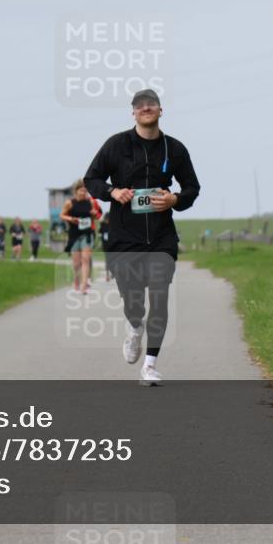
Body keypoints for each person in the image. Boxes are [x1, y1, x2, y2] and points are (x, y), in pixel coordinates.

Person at [84, 89, 200, 386]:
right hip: (125, 237)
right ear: (133, 113)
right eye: (139, 105)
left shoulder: (174, 149)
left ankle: (150, 365)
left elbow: (191, 188)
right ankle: (134, 329)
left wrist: (175, 200)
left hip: (161, 236)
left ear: (161, 110)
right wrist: (112, 191)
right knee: (134, 301)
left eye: (151, 104)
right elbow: (92, 179)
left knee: (159, 298)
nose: (146, 108)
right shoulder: (116, 145)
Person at [60, 179, 98, 293]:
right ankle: (76, 280)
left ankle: (84, 285)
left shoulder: (89, 202)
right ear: (76, 191)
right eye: (81, 191)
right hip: (74, 235)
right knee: (76, 263)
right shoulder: (69, 203)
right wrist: (71, 219)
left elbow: (94, 216)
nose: (83, 193)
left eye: (85, 191)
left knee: (86, 259)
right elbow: (62, 215)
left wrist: (94, 214)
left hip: (86, 234)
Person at [99, 212, 112, 282]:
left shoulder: (112, 225)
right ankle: (107, 275)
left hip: (112, 246)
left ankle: (112, 273)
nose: (107, 220)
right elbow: (100, 220)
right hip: (106, 246)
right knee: (107, 261)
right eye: (106, 219)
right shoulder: (103, 225)